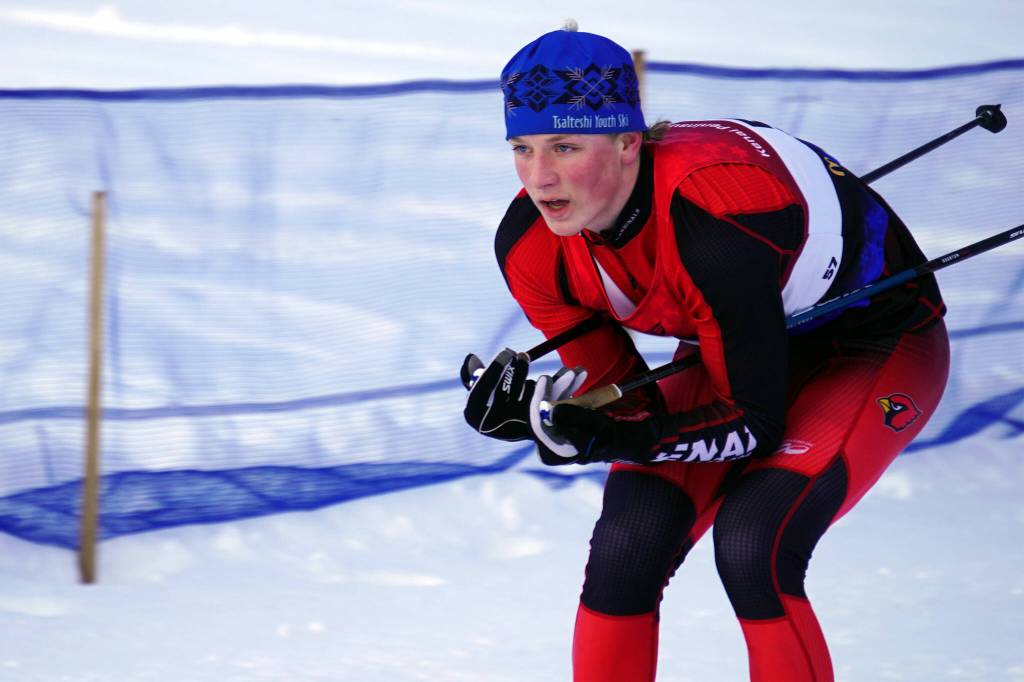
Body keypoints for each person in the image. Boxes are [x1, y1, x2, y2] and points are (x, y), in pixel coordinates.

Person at [461, 23, 950, 682]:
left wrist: (606, 437)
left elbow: (749, 423)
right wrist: (556, 424)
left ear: (628, 142)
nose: (539, 178)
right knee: (627, 544)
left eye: (566, 146)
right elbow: (624, 399)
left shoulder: (711, 223)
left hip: (872, 342)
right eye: (521, 148)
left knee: (755, 543)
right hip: (732, 338)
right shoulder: (529, 245)